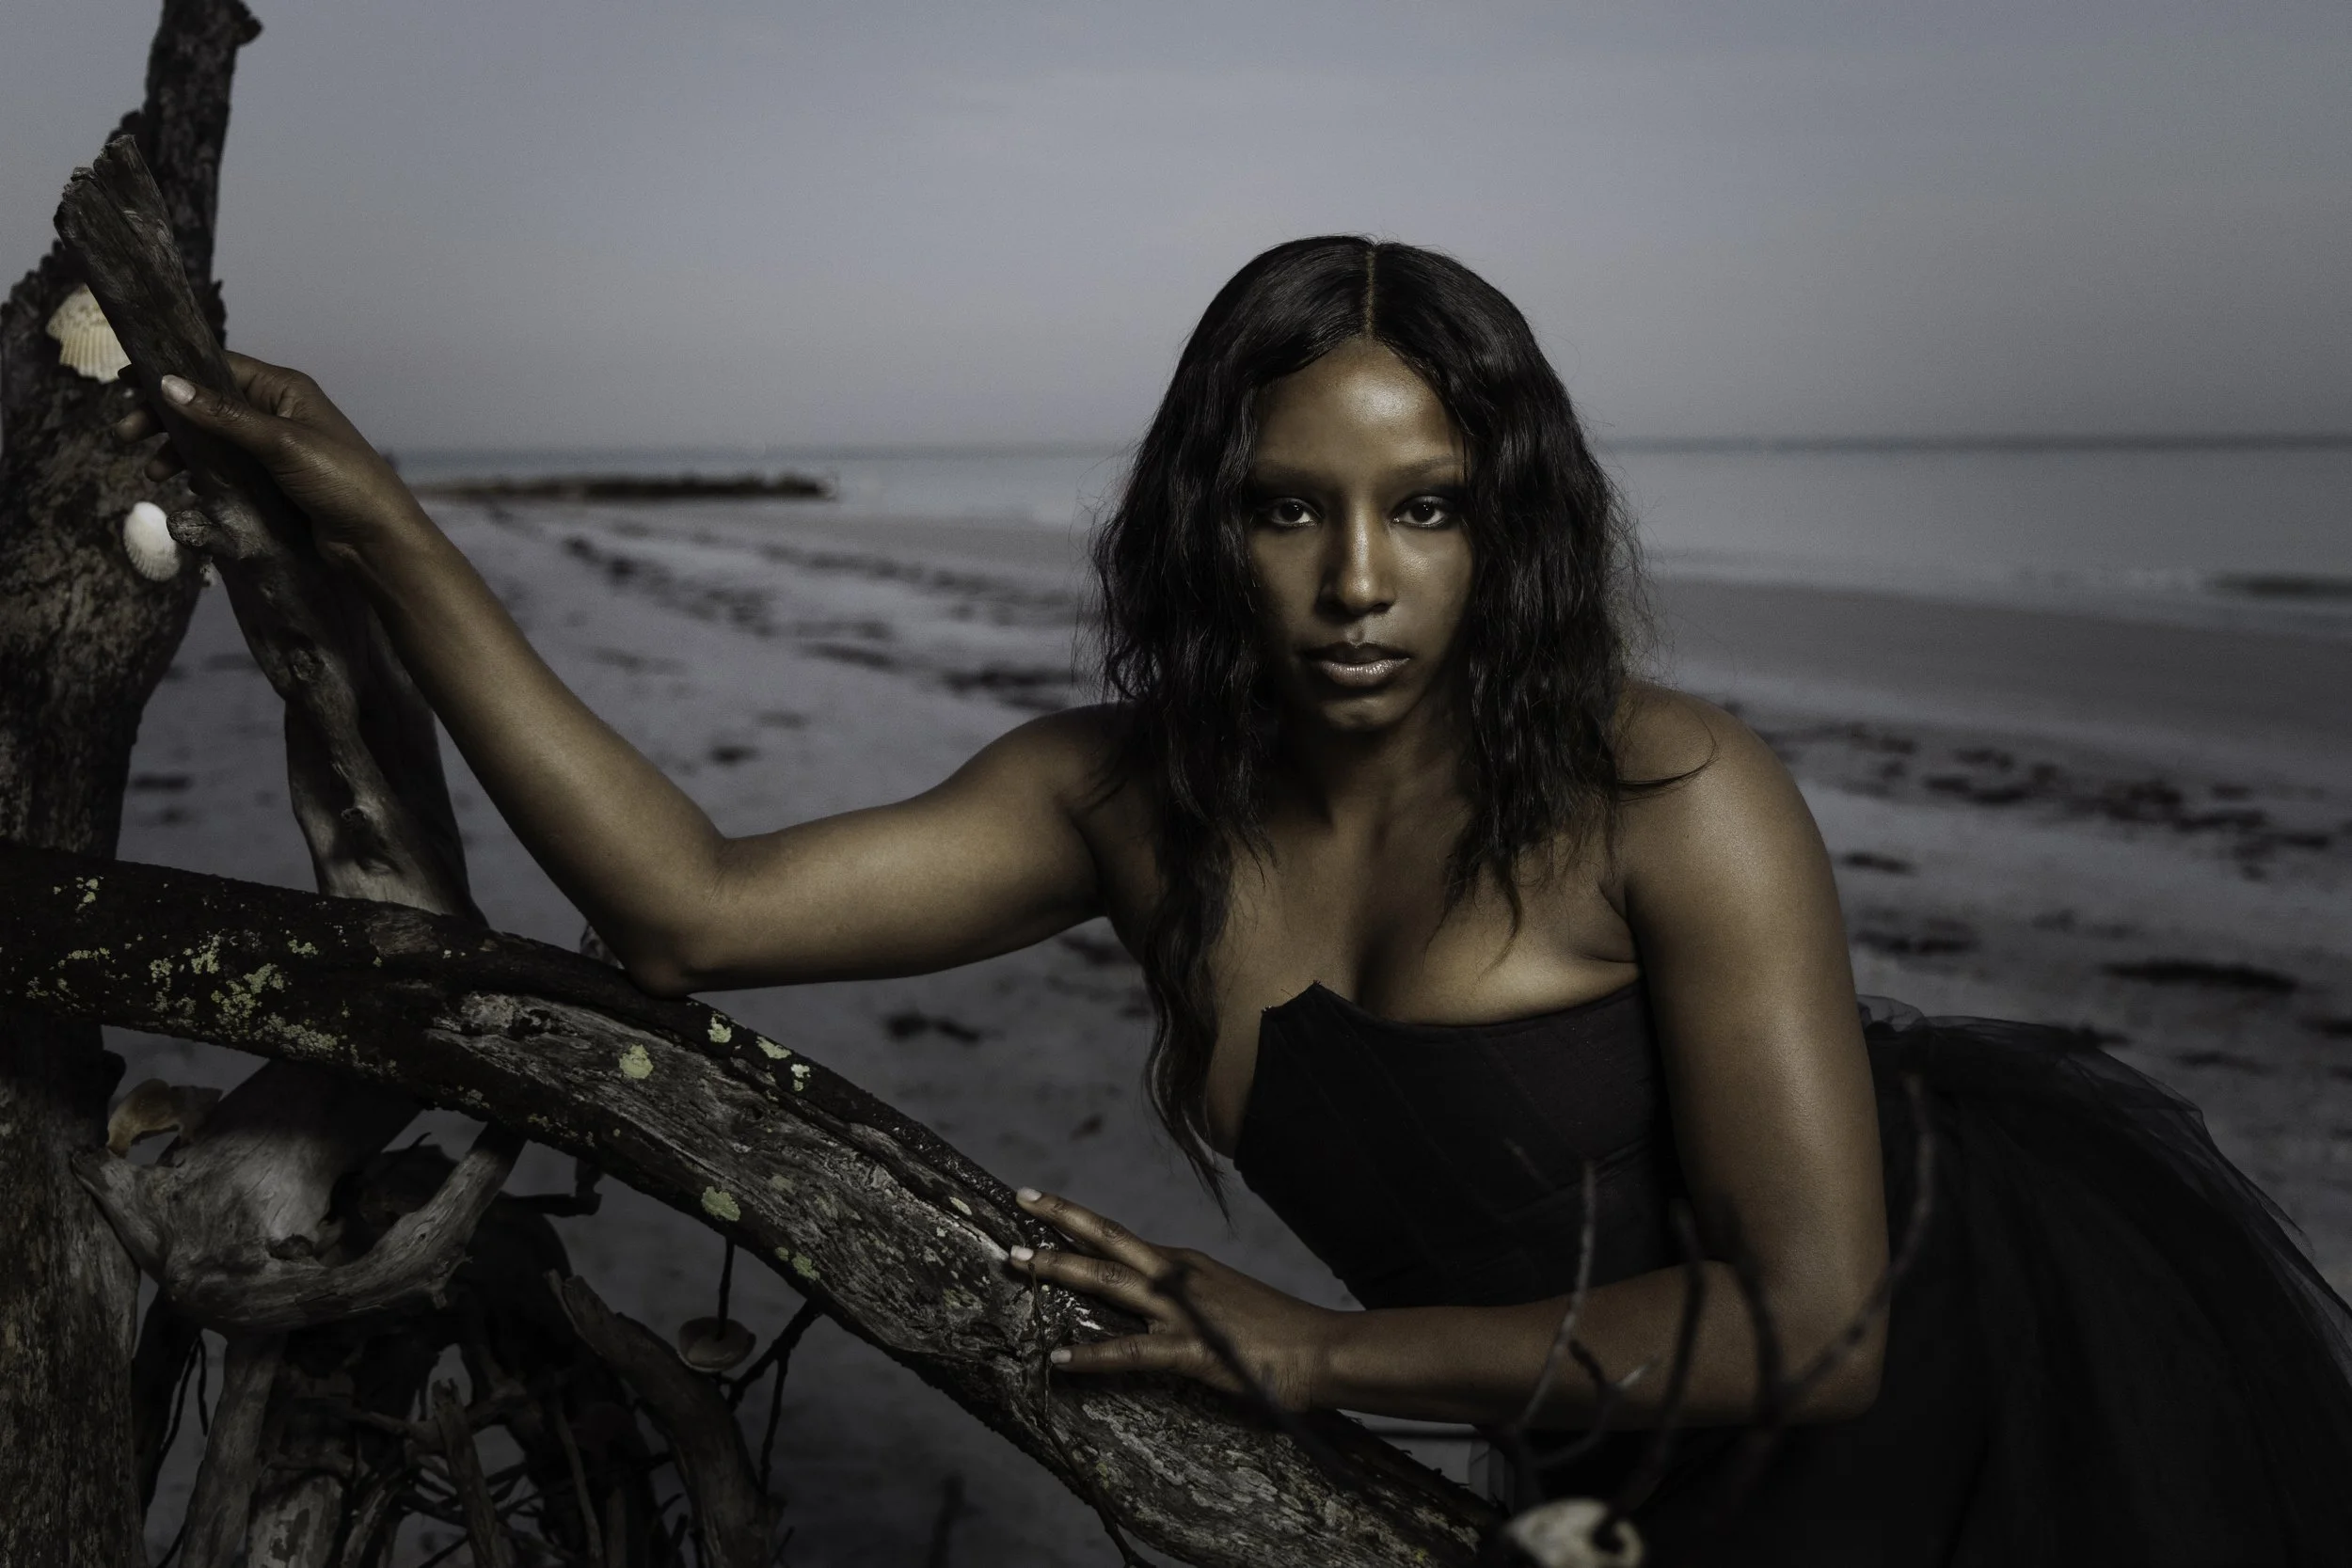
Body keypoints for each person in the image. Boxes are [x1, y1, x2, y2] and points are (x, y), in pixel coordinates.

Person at [125, 236, 2352, 1563]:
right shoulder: (1121, 799)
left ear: (1512, 524)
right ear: (1209, 523)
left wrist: (1313, 1353)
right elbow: (687, 906)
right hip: (1580, 1433)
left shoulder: (1670, 794)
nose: (1361, 581)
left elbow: (1815, 1329)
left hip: (1938, 1394)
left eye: (1427, 505)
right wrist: (385, 522)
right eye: (1291, 509)